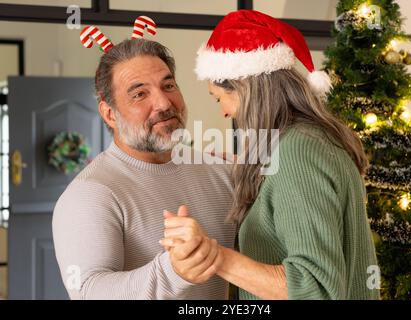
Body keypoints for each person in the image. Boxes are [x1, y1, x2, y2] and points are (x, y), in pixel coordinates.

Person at [161, 10, 381, 300]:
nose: (224, 111)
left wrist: (214, 256)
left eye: (220, 97)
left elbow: (316, 289)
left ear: (245, 88)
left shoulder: (297, 152)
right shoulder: (300, 143)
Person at [52, 37, 235, 299]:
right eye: (139, 93)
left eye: (168, 85)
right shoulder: (89, 195)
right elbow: (88, 291)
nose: (163, 103)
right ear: (109, 114)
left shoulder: (221, 171)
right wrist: (174, 272)